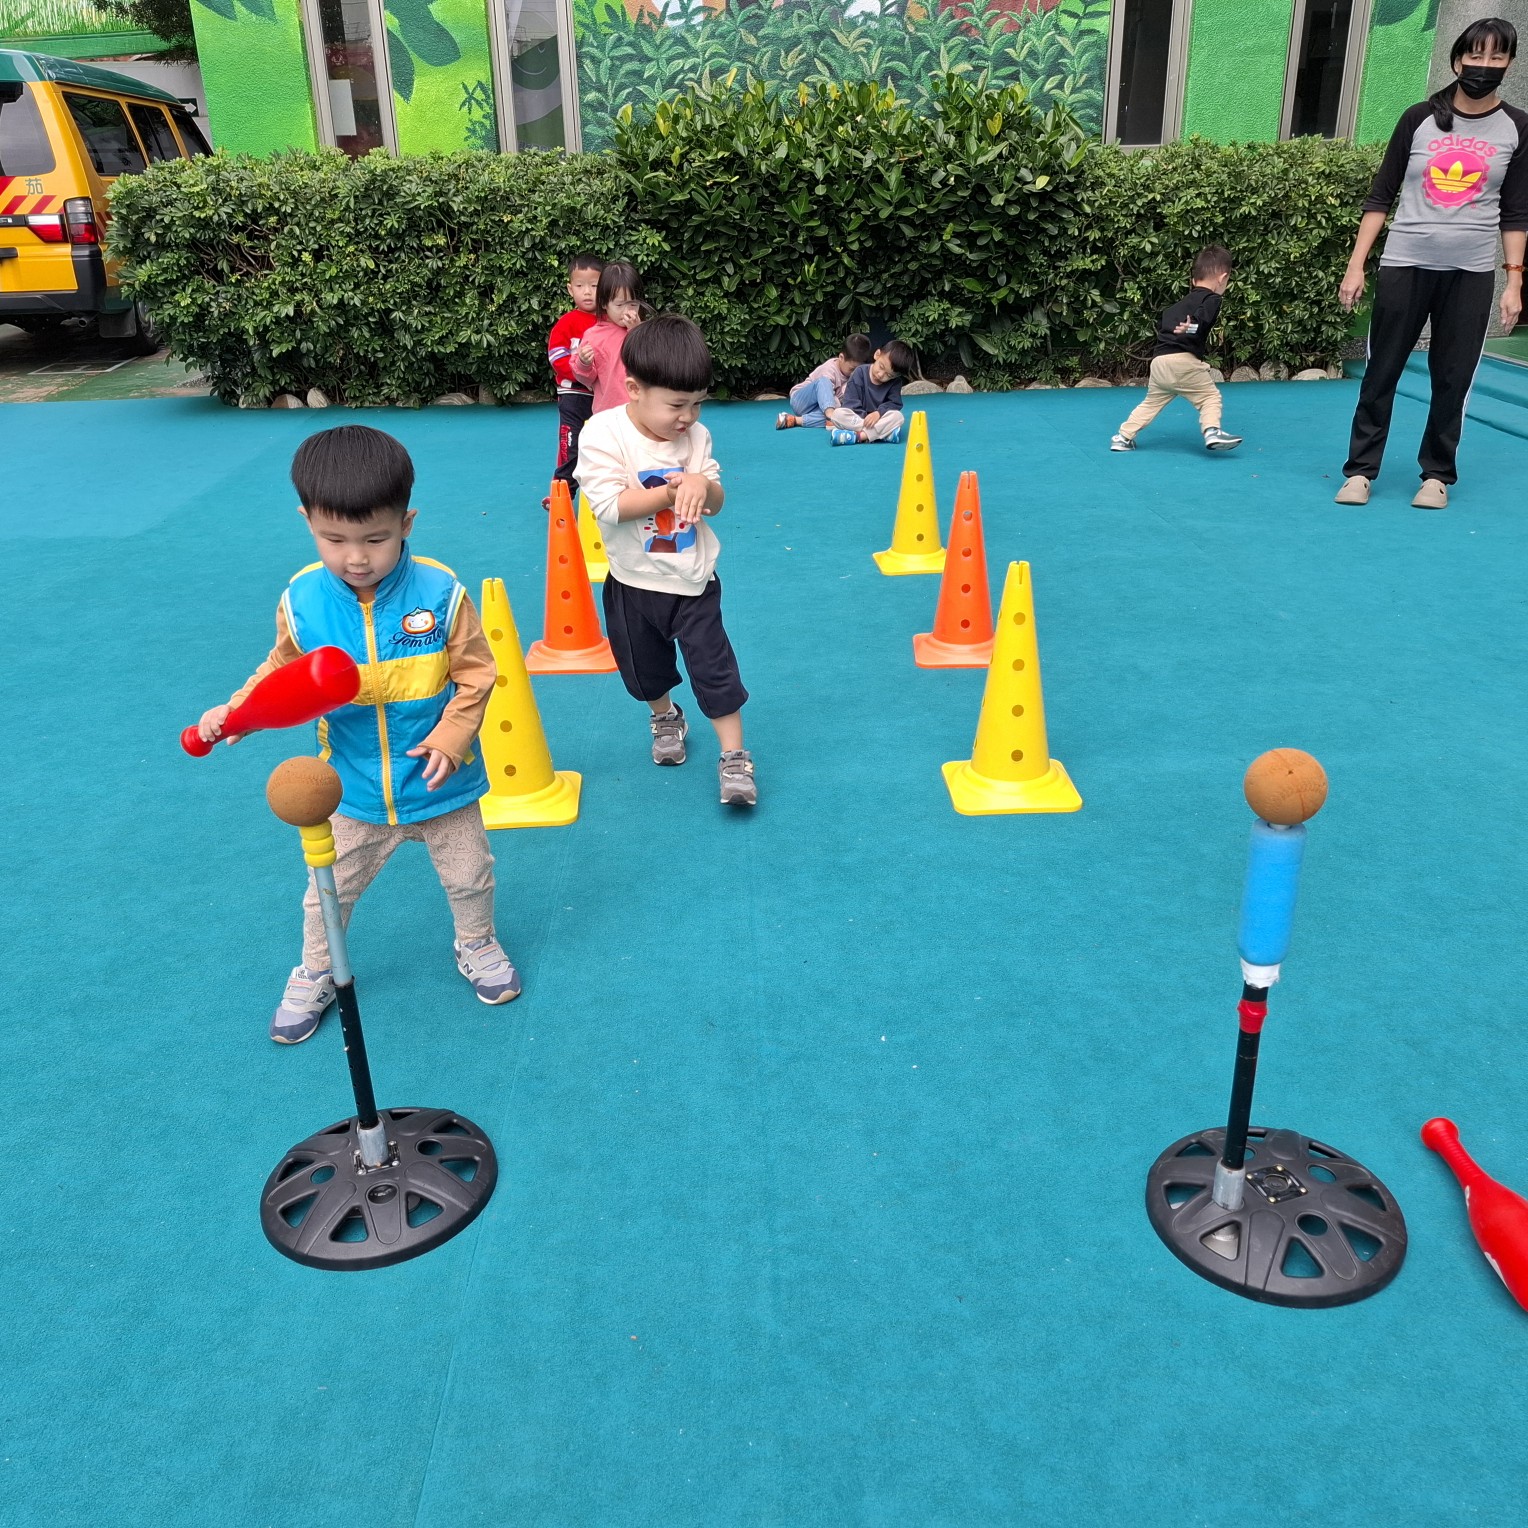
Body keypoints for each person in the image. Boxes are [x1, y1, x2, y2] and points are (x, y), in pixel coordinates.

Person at [196, 425, 521, 1044]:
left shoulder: (441, 593)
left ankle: (476, 942)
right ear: (307, 522)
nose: (356, 558)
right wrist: (236, 710)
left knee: (471, 875)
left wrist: (452, 737)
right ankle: (317, 969)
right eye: (334, 539)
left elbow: (477, 674)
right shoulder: (302, 599)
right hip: (351, 789)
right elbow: (280, 670)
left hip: (440, 784)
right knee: (328, 892)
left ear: (407, 523)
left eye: (376, 538)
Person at [1335, 17, 1527, 509]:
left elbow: (1516, 211)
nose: (1484, 65)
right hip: (1406, 263)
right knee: (1382, 372)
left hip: (1470, 273)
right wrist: (1356, 265)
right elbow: (1381, 195)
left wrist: (1513, 282)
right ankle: (1361, 471)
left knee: (1452, 377)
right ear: (1458, 60)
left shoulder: (1517, 127)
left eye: (1497, 56)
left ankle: (1437, 475)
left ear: (1509, 63)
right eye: (1476, 55)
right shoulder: (1418, 117)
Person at [575, 313, 756, 807]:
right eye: (677, 404)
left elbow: (716, 501)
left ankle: (734, 756)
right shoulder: (603, 433)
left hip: (693, 582)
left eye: (698, 403)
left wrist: (702, 484)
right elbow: (610, 507)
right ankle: (665, 715)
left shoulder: (696, 437)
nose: (688, 417)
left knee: (715, 669)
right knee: (643, 671)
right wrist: (671, 492)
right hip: (632, 582)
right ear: (634, 389)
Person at [1110, 246, 1244, 453]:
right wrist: (1191, 327)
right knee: (1209, 397)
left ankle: (1123, 437)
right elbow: (1202, 317)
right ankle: (1212, 431)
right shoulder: (1212, 299)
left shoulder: (1173, 308)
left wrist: (1188, 326)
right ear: (1222, 278)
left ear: (1193, 280)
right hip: (1184, 363)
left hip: (1159, 363)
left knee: (1151, 403)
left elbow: (1168, 328)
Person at [547, 252, 604, 500]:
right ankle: (562, 493)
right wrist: (582, 373)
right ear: (570, 289)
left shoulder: (611, 321)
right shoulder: (566, 323)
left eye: (594, 286)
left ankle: (608, 492)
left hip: (603, 395)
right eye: (580, 286)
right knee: (570, 444)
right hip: (573, 394)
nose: (587, 292)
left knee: (605, 445)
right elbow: (556, 357)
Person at [571, 260, 646, 416]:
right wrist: (584, 363)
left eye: (633, 304)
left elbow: (653, 362)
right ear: (604, 303)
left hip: (642, 411)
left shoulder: (645, 331)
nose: (627, 310)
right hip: (608, 414)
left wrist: (636, 331)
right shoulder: (594, 336)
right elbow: (586, 379)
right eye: (619, 305)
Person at [777, 333, 873, 429]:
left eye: (858, 370)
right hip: (801, 401)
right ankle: (831, 415)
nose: (854, 374)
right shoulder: (829, 369)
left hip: (821, 409)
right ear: (841, 358)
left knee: (841, 414)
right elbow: (826, 391)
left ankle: (795, 420)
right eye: (852, 369)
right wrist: (835, 412)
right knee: (824, 382)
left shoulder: (857, 376)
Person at [828, 340, 914, 444]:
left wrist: (878, 413)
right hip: (858, 419)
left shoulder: (895, 383)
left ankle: (860, 436)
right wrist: (866, 420)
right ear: (877, 354)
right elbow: (850, 402)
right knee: (837, 414)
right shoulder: (860, 372)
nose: (881, 375)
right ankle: (882, 435)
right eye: (881, 367)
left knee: (898, 417)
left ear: (896, 376)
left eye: (889, 375)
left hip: (879, 418)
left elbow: (894, 403)